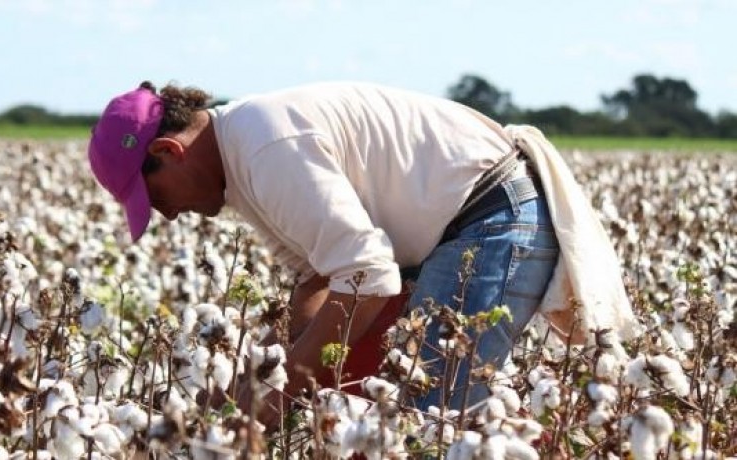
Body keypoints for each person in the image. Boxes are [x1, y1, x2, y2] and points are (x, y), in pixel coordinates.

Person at [87, 80, 637, 420]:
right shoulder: (244, 159)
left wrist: (278, 398)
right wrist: (257, 383)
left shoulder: (266, 149)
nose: (165, 214)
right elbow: (317, 279)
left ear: (168, 151)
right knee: (380, 405)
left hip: (489, 221)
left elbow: (369, 278)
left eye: (152, 196)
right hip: (460, 230)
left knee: (429, 419)